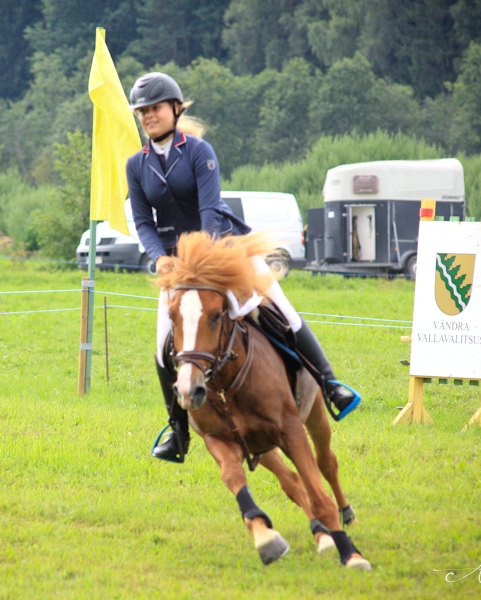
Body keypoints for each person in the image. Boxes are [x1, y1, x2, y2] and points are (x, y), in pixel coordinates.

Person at [125, 72, 361, 464]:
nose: (148, 116)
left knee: (279, 308)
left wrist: (203, 261)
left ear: (175, 109)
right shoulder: (137, 164)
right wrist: (158, 257)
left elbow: (209, 211)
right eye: (142, 111)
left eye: (155, 108)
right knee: (164, 349)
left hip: (224, 249)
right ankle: (178, 430)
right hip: (176, 266)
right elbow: (142, 222)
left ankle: (330, 383)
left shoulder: (199, 151)